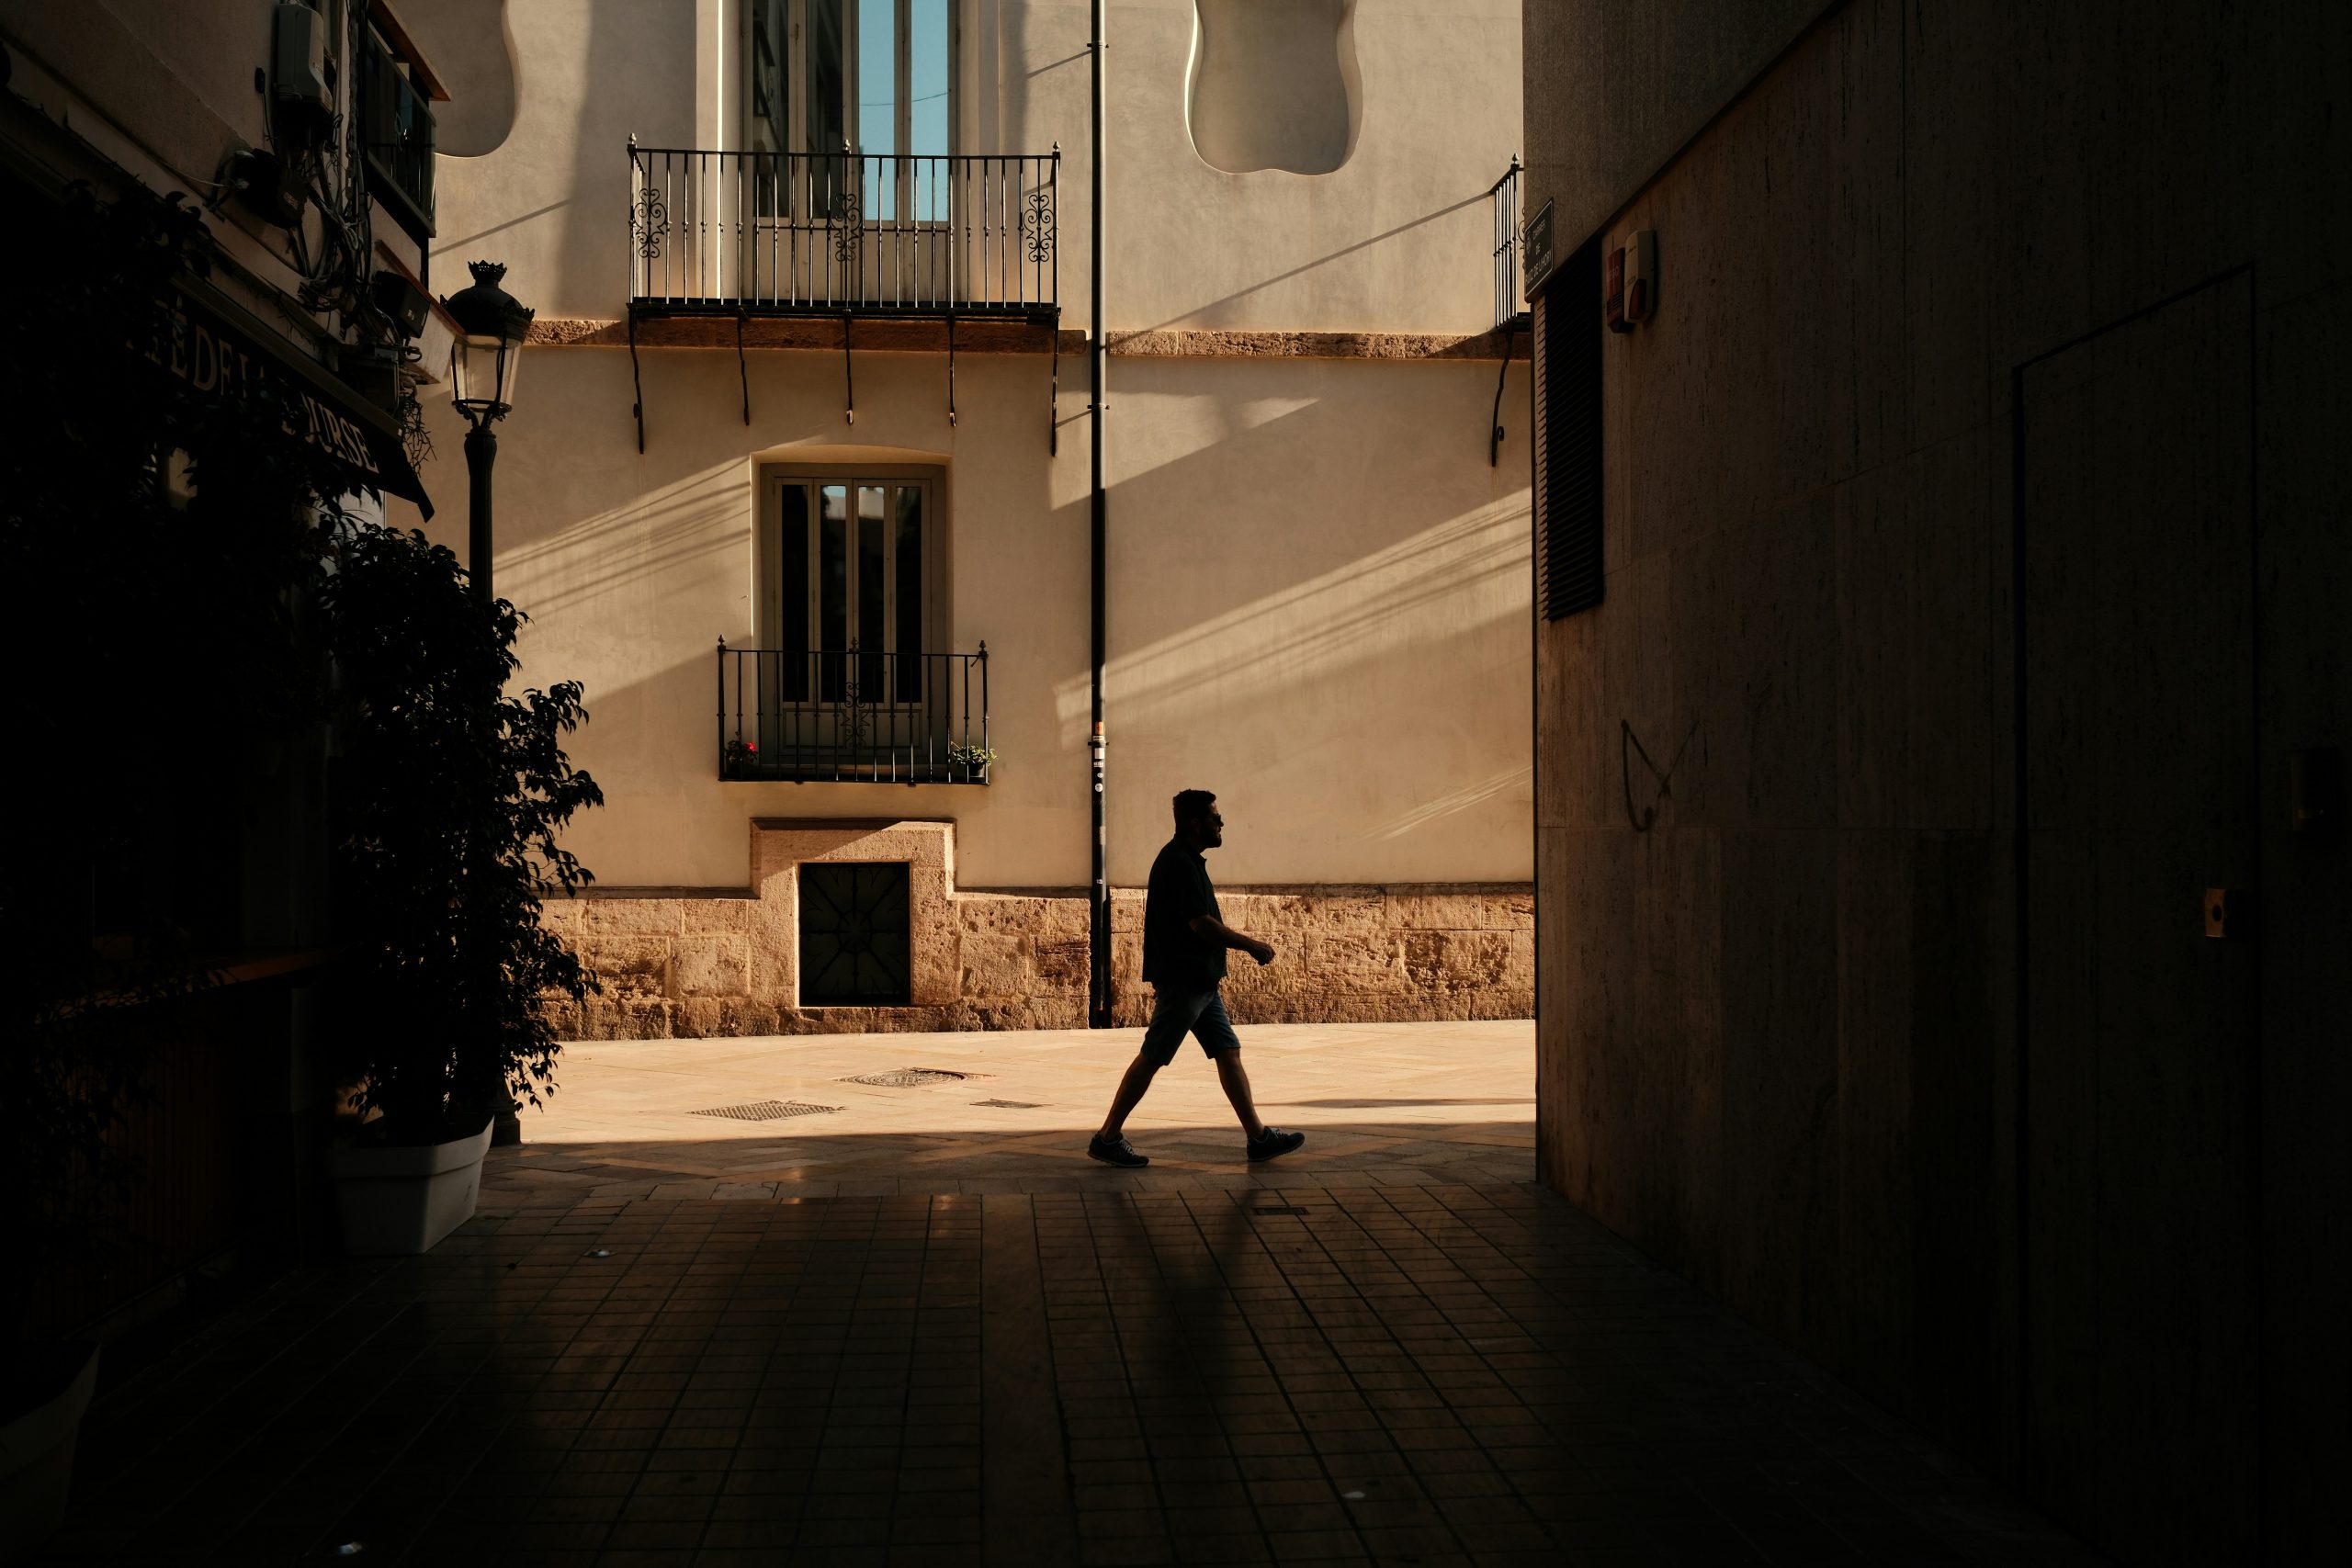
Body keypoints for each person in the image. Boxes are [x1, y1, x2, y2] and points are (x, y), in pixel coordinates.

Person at [1088, 789, 1306, 1168]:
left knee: (1227, 1051)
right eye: (1214, 818)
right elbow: (1201, 924)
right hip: (1185, 981)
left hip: (1201, 982)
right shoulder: (1179, 863)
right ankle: (1107, 1137)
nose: (1221, 823)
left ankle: (1258, 1138)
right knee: (1153, 1056)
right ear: (1195, 823)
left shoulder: (1186, 860)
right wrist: (1251, 945)